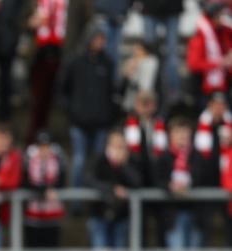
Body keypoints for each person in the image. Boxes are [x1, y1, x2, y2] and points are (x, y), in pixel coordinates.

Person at [152, 118, 212, 251]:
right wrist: (170, 186)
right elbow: (156, 179)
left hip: (195, 214)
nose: (182, 137)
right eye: (178, 133)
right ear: (170, 136)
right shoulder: (164, 158)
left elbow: (205, 177)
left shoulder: (197, 157)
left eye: (186, 133)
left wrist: (189, 184)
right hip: (173, 215)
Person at [60, 20, 116, 187]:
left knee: (98, 160)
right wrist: (71, 111)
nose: (101, 42)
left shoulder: (107, 63)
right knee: (79, 159)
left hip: (101, 122)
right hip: (79, 121)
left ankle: (96, 201)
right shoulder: (75, 61)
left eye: (103, 39)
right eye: (98, 38)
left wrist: (108, 114)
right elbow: (63, 89)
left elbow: (111, 92)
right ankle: (77, 202)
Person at [88, 130, 142, 251]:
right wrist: (112, 190)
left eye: (121, 146)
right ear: (108, 146)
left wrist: (124, 165)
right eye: (115, 145)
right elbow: (90, 180)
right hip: (100, 215)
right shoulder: (98, 160)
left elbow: (137, 182)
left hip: (121, 216)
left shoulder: (130, 161)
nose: (118, 149)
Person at [22, 131, 66, 251]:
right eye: (41, 146)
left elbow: (63, 181)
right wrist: (43, 191)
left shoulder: (59, 158)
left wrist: (52, 190)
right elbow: (24, 181)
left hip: (52, 215)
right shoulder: (29, 158)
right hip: (33, 216)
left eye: (47, 146)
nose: (44, 149)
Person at [25, 0, 68, 144]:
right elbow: (19, 21)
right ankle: (35, 136)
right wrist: (30, 23)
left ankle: (56, 138)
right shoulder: (33, 3)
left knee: (60, 99)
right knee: (38, 99)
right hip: (39, 54)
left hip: (63, 53)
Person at [186, 1, 232, 110]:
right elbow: (194, 64)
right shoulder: (200, 35)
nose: (224, 18)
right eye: (221, 15)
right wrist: (220, 63)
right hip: (205, 87)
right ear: (214, 16)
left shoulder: (225, 31)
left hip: (225, 82)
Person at [140, 0, 183, 107]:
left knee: (171, 55)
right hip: (150, 7)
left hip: (172, 7)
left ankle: (172, 92)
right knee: (149, 54)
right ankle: (146, 90)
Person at [120, 38, 159, 112]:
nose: (135, 52)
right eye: (135, 49)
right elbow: (127, 79)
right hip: (133, 98)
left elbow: (146, 83)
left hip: (146, 97)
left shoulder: (151, 61)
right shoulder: (132, 61)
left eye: (138, 49)